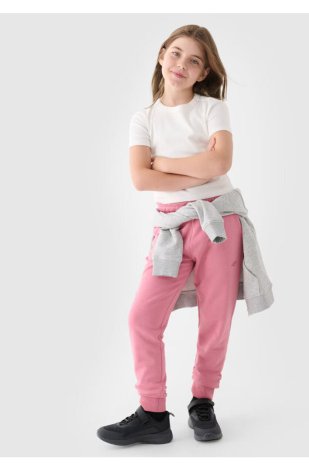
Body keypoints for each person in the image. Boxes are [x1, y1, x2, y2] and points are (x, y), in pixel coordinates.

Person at [97, 25, 245, 446]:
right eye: (176, 53)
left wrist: (161, 163)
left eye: (194, 60)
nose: (182, 64)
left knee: (215, 318)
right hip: (170, 229)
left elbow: (220, 164)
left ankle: (203, 402)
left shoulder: (212, 108)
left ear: (203, 72)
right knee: (142, 318)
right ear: (162, 55)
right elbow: (141, 180)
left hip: (219, 222)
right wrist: (194, 169)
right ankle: (153, 413)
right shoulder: (143, 119)